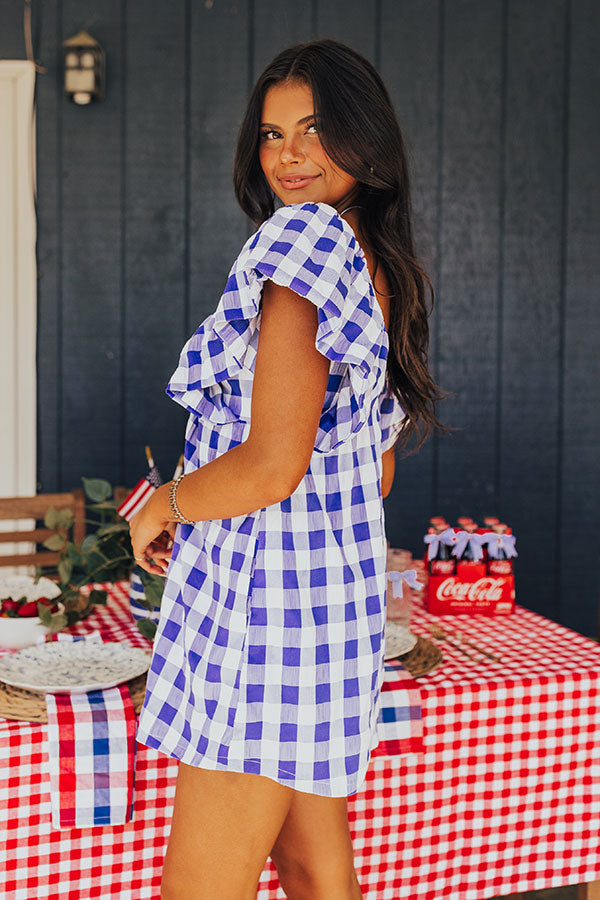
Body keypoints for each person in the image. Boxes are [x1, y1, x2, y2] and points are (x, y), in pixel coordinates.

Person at [130, 37, 446, 900]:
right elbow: (370, 476)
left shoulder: (304, 243)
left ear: (364, 137)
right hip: (327, 617)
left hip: (262, 624)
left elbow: (272, 466)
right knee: (310, 864)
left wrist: (168, 504)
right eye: (271, 135)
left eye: (314, 129)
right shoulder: (377, 264)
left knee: (200, 887)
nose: (290, 156)